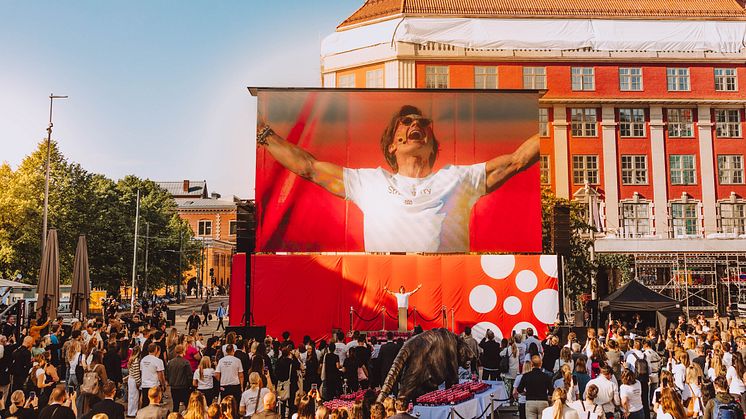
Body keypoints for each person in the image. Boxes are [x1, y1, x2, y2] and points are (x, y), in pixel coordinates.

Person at [257, 105, 540, 253]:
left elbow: (517, 160)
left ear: (432, 145)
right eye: (406, 122)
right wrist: (264, 135)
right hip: (385, 288)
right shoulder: (370, 182)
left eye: (423, 123)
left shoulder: (458, 178)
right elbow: (309, 167)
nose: (416, 124)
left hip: (447, 289)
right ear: (393, 144)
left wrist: (557, 121)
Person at [517, 355, 554, 419]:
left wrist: (525, 393)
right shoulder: (546, 376)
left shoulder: (526, 376)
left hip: (530, 401)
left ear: (531, 364)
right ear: (541, 364)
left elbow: (519, 389)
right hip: (543, 401)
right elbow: (551, 391)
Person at [166, 344, 194, 413]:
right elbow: (190, 375)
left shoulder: (170, 362)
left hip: (174, 387)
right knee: (187, 405)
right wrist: (191, 385)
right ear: (183, 351)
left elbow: (167, 374)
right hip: (184, 386)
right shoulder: (186, 362)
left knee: (175, 405)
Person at [141, 343, 166, 408]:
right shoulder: (158, 361)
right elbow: (160, 374)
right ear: (155, 350)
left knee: (145, 403)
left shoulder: (143, 360)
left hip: (144, 385)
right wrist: (163, 384)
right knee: (155, 404)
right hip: (154, 385)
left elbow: (142, 371)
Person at [128, 345, 143, 416]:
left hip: (130, 379)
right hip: (134, 380)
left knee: (131, 396)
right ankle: (133, 412)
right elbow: (136, 372)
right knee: (135, 397)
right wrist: (138, 382)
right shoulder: (136, 360)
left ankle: (130, 411)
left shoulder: (131, 359)